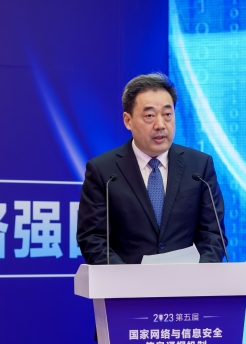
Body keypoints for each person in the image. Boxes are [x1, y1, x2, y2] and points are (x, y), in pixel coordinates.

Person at [77, 72, 227, 265]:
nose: (160, 125)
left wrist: (199, 275)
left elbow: (213, 234)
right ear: (128, 120)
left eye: (167, 114)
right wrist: (125, 278)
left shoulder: (199, 166)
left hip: (187, 282)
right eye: (149, 116)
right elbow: (93, 238)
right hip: (127, 282)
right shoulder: (103, 171)